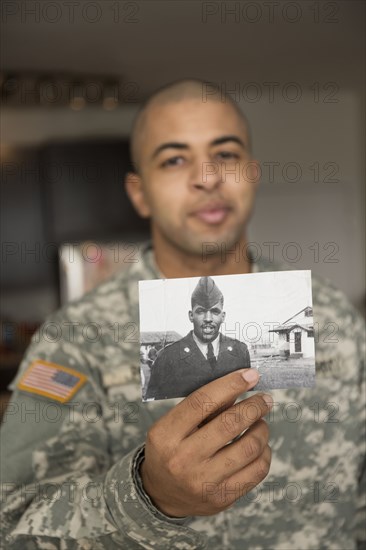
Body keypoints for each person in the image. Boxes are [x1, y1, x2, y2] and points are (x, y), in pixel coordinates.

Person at [0, 79, 365, 549]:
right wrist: (149, 497)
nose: (207, 176)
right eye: (174, 159)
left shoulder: (332, 316)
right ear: (139, 193)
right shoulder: (76, 338)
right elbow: (12, 525)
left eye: (226, 154)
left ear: (252, 172)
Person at [145, 276, 251, 400]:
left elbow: (247, 398)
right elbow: (156, 407)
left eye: (215, 311)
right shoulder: (167, 357)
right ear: (191, 316)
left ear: (223, 316)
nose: (208, 318)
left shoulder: (240, 351)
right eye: (201, 311)